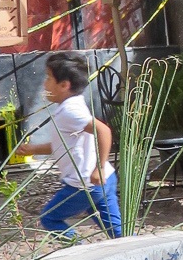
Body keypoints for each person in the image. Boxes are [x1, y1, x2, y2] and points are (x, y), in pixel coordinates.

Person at [20, 51, 122, 240]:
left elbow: (103, 131)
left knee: (50, 218)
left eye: (49, 78)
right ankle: (132, 251)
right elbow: (63, 145)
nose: (45, 83)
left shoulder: (70, 111)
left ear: (64, 85)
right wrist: (34, 149)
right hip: (103, 180)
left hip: (83, 186)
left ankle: (77, 250)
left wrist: (97, 168)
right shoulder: (72, 105)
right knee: (117, 233)